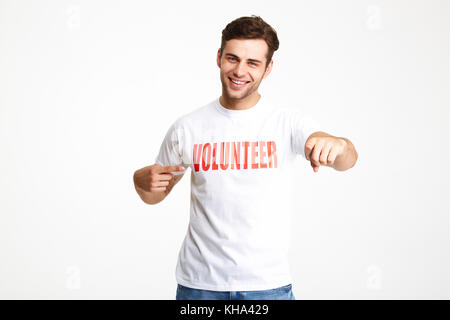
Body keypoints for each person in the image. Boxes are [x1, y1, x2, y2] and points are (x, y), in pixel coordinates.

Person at [133, 15, 358, 300]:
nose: (239, 71)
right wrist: (139, 180)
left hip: (267, 287)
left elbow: (347, 158)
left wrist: (338, 145)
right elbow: (154, 195)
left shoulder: (286, 123)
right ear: (218, 57)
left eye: (253, 63)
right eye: (232, 58)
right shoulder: (187, 127)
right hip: (199, 287)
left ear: (268, 68)